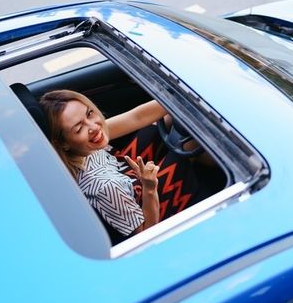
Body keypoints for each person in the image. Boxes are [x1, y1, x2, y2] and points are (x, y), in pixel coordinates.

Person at [40, 90, 198, 244]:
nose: (94, 127)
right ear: (63, 143)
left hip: (127, 177)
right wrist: (149, 188)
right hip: (148, 206)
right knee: (184, 152)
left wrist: (184, 97)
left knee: (157, 126)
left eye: (89, 113)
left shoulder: (82, 147)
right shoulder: (106, 187)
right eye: (79, 128)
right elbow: (146, 236)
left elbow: (136, 117)